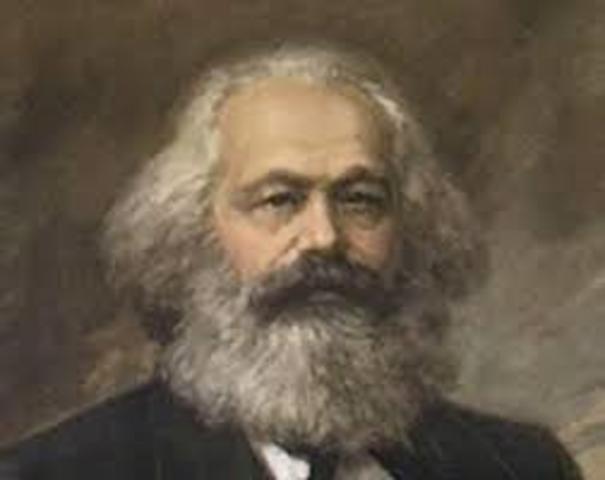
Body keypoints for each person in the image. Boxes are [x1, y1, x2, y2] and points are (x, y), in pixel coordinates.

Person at [2, 43, 581, 480]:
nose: (324, 237)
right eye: (279, 199)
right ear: (192, 230)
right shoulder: (59, 472)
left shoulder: (521, 467)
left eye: (360, 200)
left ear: (413, 229)